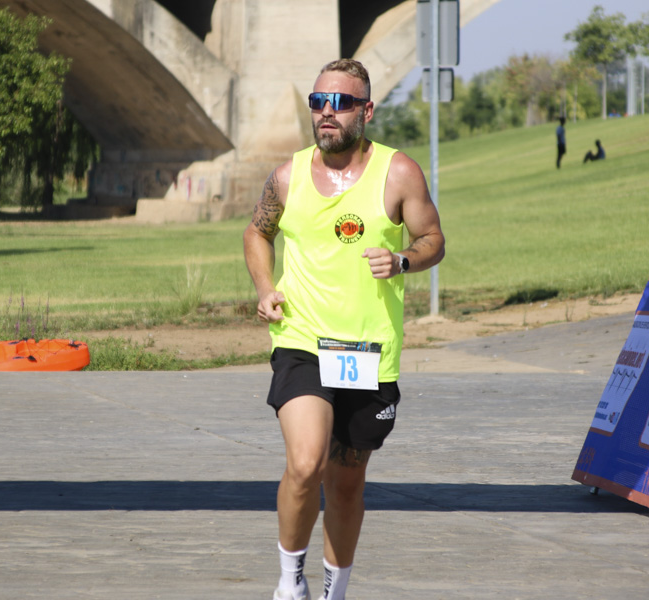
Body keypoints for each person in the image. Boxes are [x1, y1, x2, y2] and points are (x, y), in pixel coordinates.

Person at [243, 58, 445, 600]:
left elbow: (433, 240)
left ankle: (335, 591)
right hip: (302, 341)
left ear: (367, 111)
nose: (327, 113)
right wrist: (266, 289)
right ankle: (290, 583)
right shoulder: (287, 175)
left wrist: (403, 262)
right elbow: (257, 235)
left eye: (341, 103)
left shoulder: (397, 172)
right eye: (318, 102)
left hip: (368, 351)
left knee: (347, 482)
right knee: (306, 461)